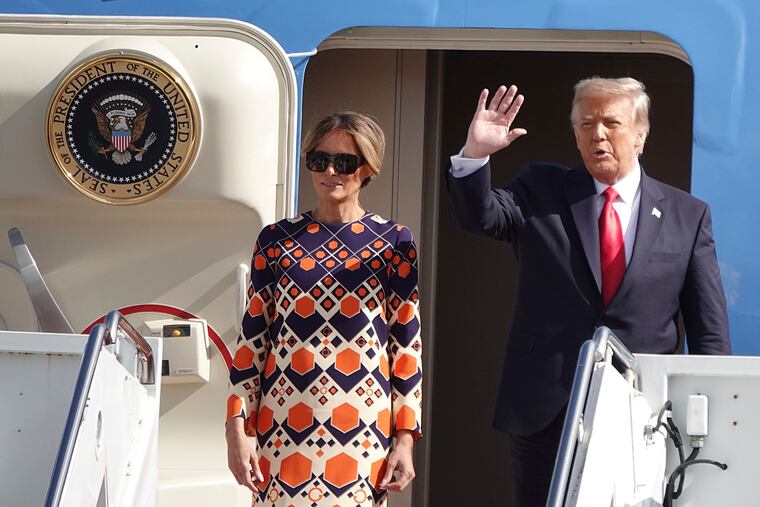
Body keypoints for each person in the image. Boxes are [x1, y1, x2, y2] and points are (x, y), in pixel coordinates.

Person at [446, 77, 731, 506]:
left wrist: (713, 417)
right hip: (547, 413)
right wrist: (475, 156)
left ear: (640, 133)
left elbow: (709, 330)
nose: (597, 134)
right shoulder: (541, 188)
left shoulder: (687, 216)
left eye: (611, 123)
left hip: (643, 415)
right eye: (586, 124)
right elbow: (480, 217)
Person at [225, 112, 423, 506]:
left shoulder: (394, 242)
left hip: (363, 431)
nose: (330, 171)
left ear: (368, 168)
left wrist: (405, 440)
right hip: (280, 427)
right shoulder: (276, 240)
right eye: (319, 160)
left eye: (344, 162)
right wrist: (236, 428)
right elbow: (251, 342)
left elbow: (406, 349)